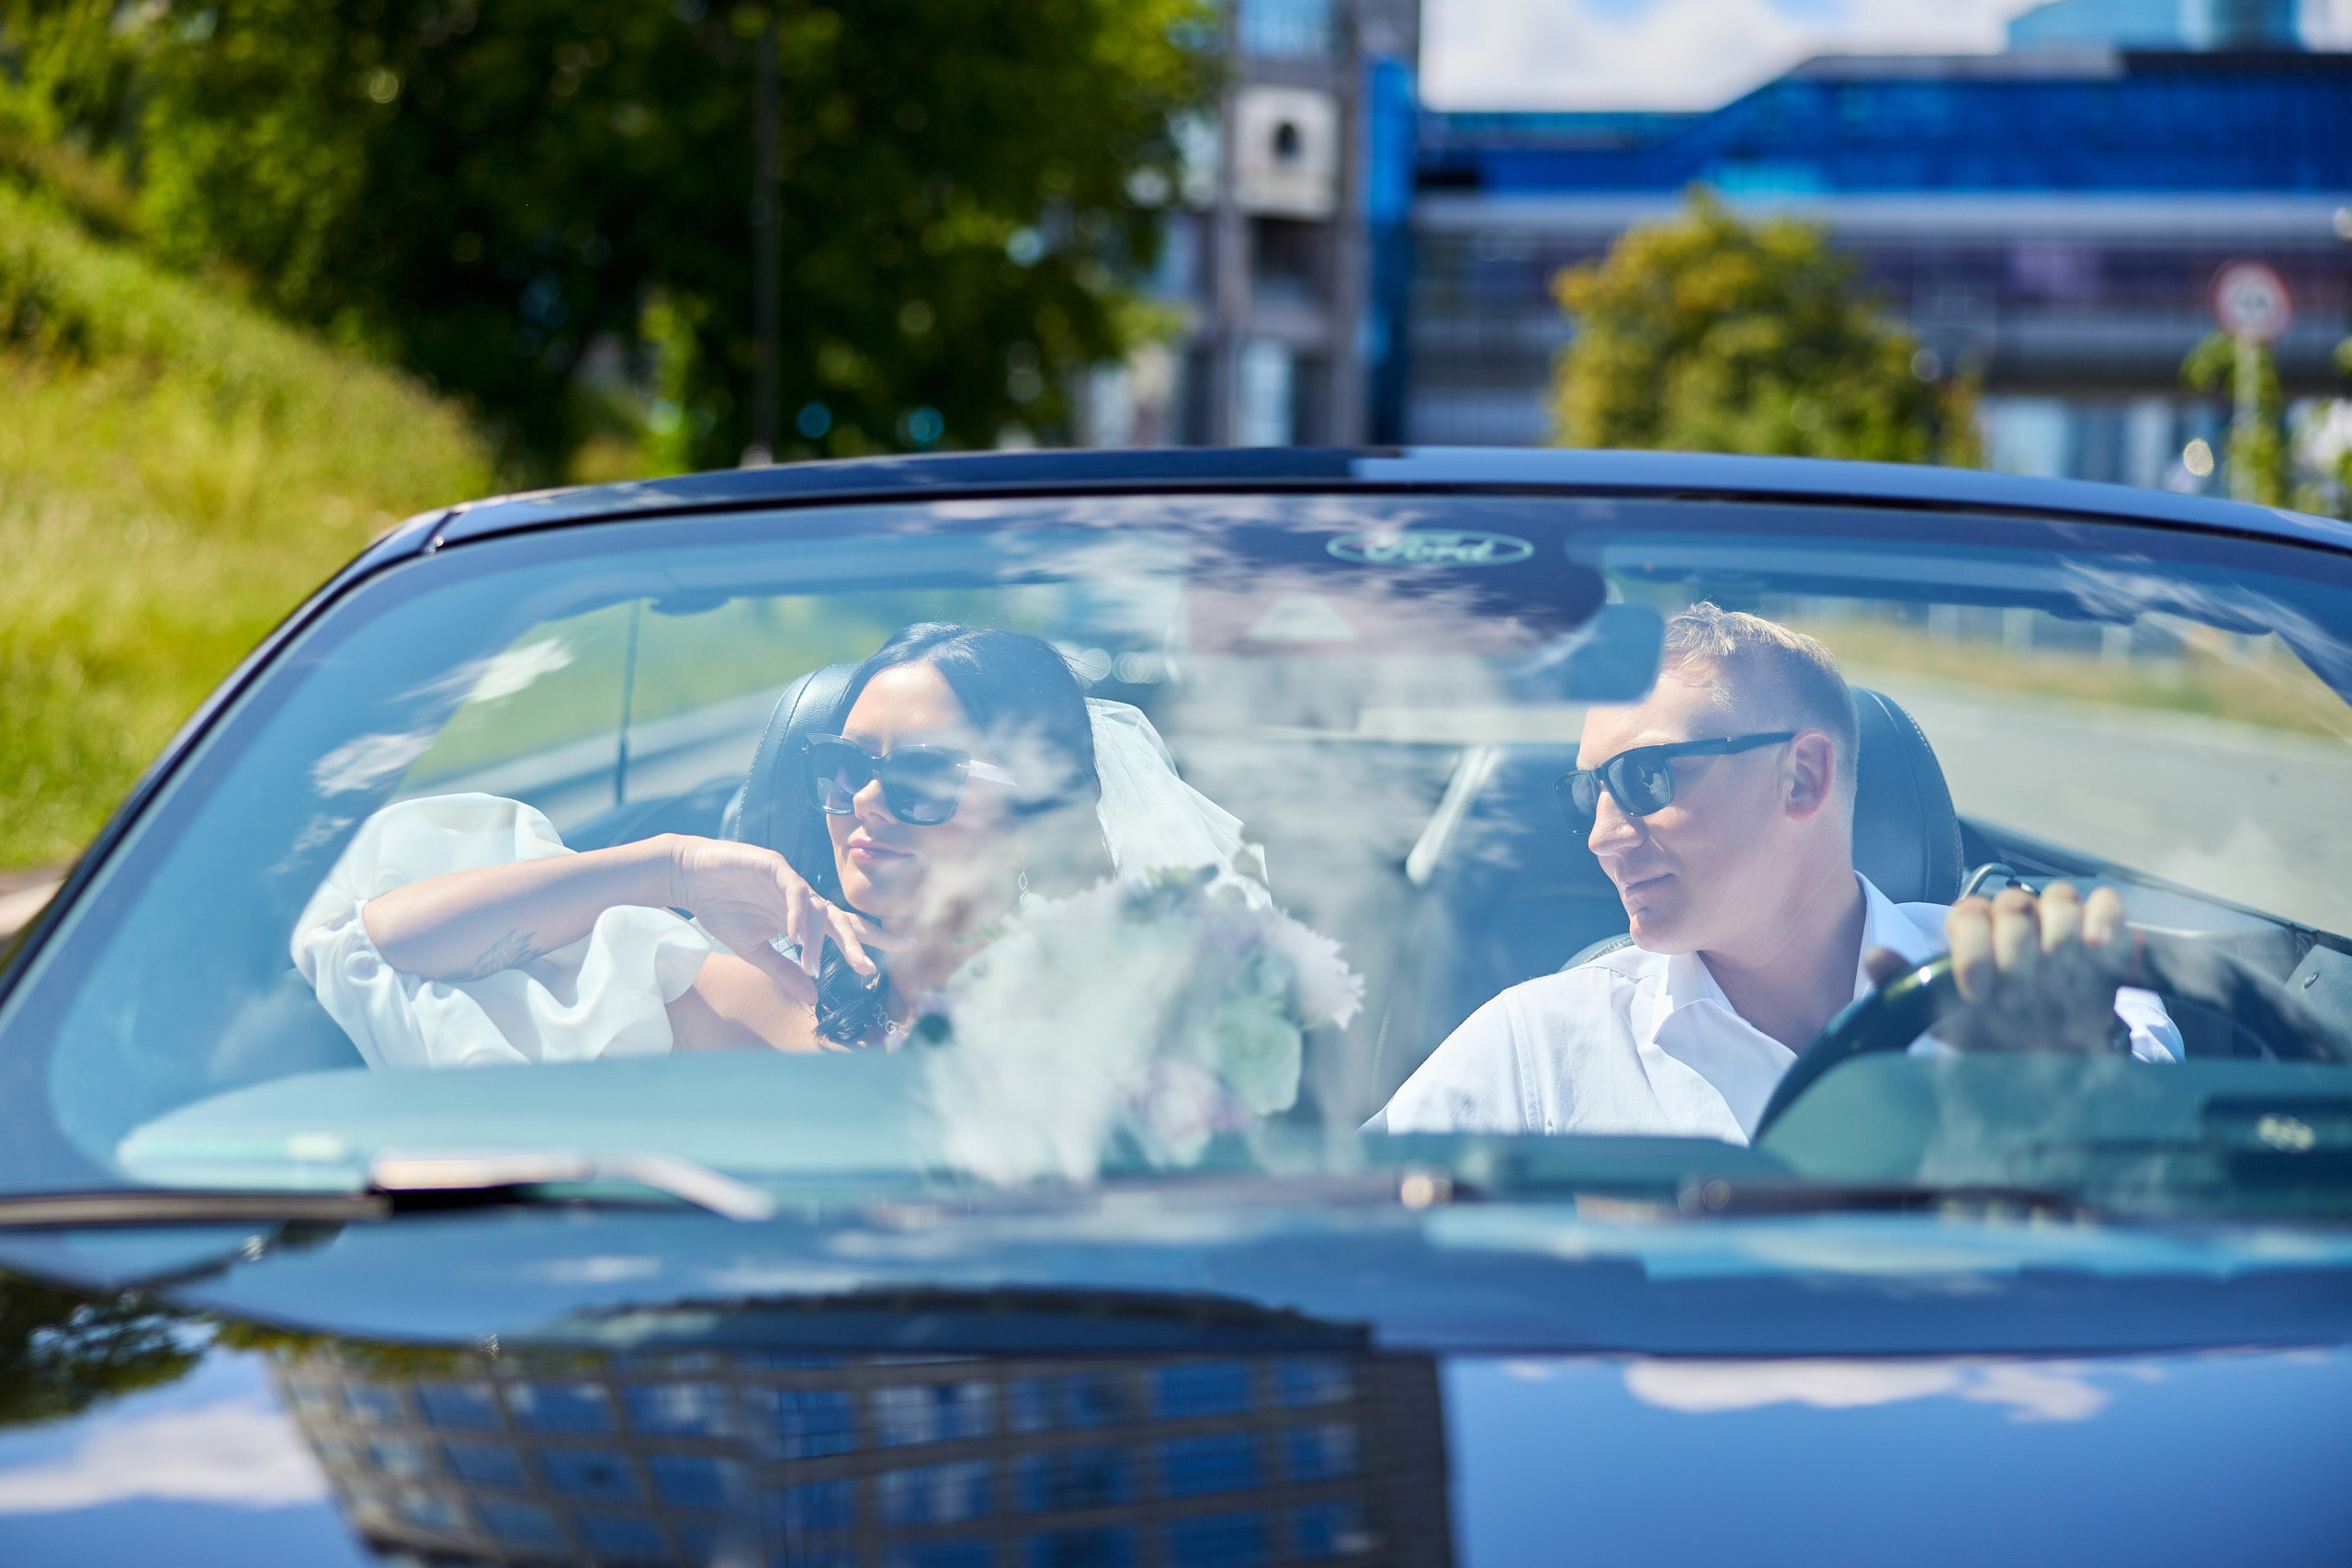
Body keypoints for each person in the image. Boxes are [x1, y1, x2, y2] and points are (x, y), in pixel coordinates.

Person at [1378, 604, 2180, 1144]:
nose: (1602, 835)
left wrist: (2074, 1081)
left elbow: (2180, 1192)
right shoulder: (1538, 1044)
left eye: (1646, 778)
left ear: (1802, 777)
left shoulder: (2036, 989)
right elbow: (1336, 1234)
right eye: (1587, 790)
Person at [295, 623, 1258, 1067]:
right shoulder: (749, 996)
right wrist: (672, 867)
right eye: (844, 765)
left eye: (922, 775)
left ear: (1035, 817)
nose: (865, 802)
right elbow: (383, 941)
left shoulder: (1144, 1021)